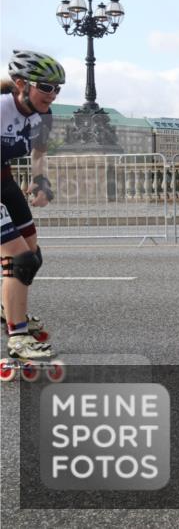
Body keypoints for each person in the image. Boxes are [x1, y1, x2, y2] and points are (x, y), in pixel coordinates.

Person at [1, 50, 63, 377]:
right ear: (22, 84)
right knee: (18, 260)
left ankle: (7, 305)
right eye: (45, 87)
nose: (52, 95)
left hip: (5, 180)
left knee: (34, 256)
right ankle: (17, 337)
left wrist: (41, 182)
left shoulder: (45, 115)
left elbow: (38, 156)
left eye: (58, 89)